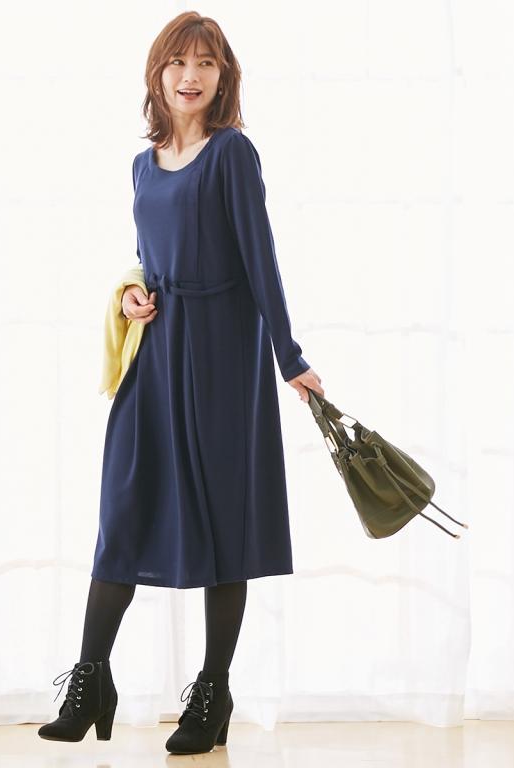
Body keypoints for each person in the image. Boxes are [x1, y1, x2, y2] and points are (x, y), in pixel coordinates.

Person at [38, 10, 324, 755]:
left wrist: (289, 357)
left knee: (223, 517)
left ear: (223, 77)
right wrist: (132, 293)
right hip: (158, 351)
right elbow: (146, 253)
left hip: (224, 355)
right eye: (177, 63)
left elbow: (260, 259)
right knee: (124, 509)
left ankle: (212, 690)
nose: (190, 76)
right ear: (157, 75)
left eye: (205, 63)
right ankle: (91, 678)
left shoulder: (232, 154)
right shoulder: (142, 166)